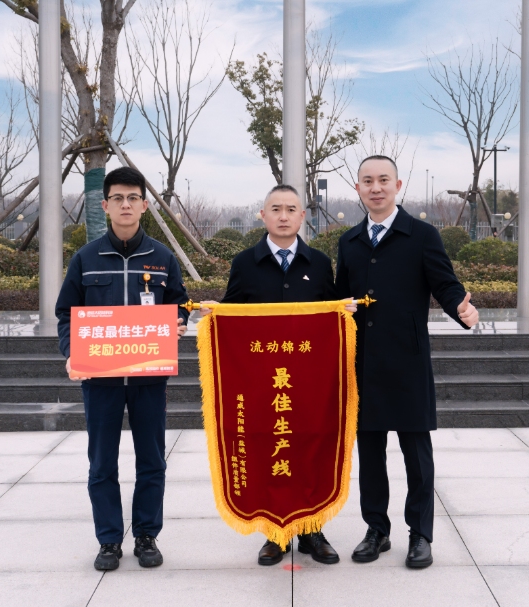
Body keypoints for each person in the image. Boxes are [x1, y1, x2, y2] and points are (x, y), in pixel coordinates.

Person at [336, 155, 479, 569]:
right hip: (362, 363)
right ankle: (376, 530)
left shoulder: (421, 235)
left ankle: (420, 533)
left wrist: (461, 308)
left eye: (384, 180)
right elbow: (339, 297)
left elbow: (444, 283)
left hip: (407, 361)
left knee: (416, 452)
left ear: (397, 186)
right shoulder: (349, 242)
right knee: (370, 453)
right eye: (367, 181)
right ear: (358, 188)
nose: (376, 187)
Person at [203, 184, 353, 566]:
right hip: (262, 384)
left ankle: (312, 529)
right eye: (275, 209)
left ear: (303, 216)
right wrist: (216, 315)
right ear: (263, 215)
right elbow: (233, 314)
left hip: (308, 382)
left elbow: (329, 315)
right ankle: (275, 533)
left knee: (309, 447)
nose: (283, 216)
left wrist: (343, 313)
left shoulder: (319, 263)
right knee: (269, 449)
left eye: (291, 209)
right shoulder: (244, 263)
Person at [56, 166, 190, 571]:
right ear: (105, 205)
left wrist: (179, 321)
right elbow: (66, 313)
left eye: (133, 198)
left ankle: (146, 535)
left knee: (152, 460)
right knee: (102, 463)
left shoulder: (163, 258)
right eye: (118, 198)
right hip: (101, 380)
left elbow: (179, 302)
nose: (126, 205)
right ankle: (109, 540)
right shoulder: (86, 259)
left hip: (149, 377)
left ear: (145, 206)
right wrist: (71, 352)